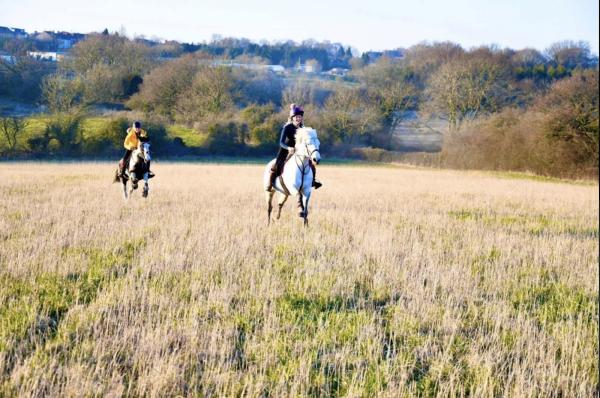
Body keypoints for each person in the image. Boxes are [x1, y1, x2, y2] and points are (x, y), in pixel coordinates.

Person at [266, 104, 321, 191]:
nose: (298, 118)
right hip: (286, 150)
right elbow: (281, 142)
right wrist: (288, 148)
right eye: (296, 117)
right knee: (276, 166)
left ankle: (313, 181)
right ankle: (270, 184)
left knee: (311, 165)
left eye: (300, 117)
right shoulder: (287, 127)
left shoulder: (303, 128)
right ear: (292, 117)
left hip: (299, 151)